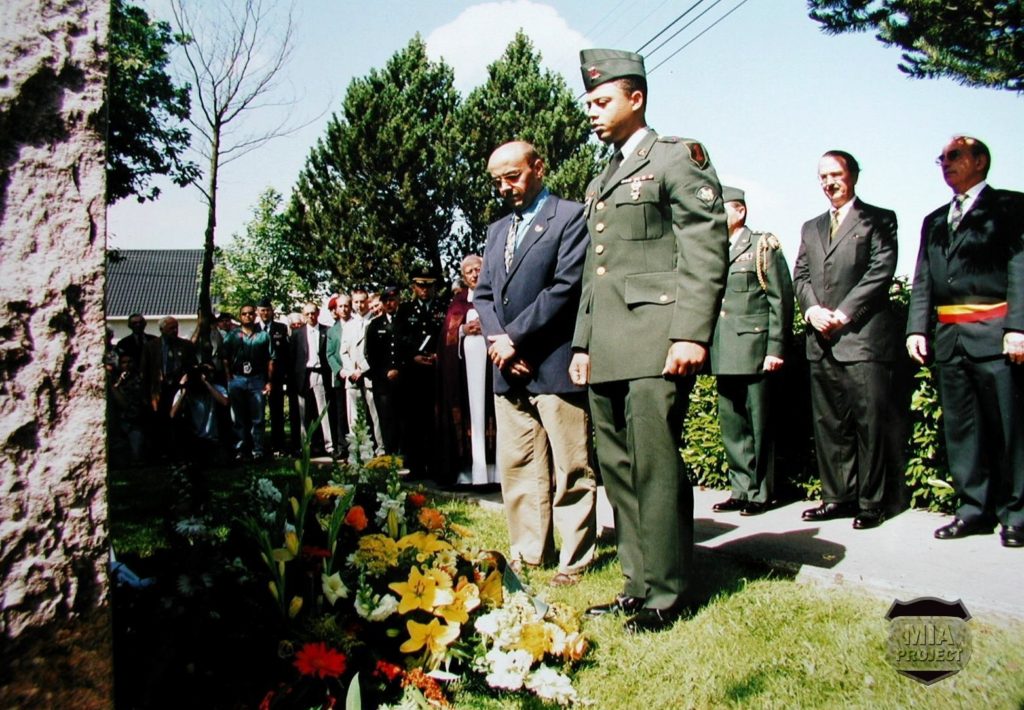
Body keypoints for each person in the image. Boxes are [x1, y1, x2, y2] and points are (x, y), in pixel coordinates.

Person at [568, 50, 729, 631]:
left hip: (658, 336)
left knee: (655, 464)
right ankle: (636, 583)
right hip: (609, 342)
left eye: (601, 99)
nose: (591, 110)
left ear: (635, 98)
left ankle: (667, 592)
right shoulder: (603, 176)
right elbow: (595, 269)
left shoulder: (677, 159)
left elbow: (705, 248)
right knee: (616, 465)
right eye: (588, 101)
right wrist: (583, 343)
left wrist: (690, 332)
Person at [475, 141, 597, 586]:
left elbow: (566, 289)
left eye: (513, 176)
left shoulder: (569, 217)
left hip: (552, 364)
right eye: (497, 181)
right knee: (519, 467)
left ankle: (577, 557)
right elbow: (484, 295)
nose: (505, 187)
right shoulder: (495, 231)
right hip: (507, 370)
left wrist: (516, 340)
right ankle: (529, 552)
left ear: (538, 168)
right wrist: (500, 344)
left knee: (571, 468)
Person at [906, 135, 1024, 548]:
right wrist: (917, 328)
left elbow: (1020, 266)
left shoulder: (1011, 207)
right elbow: (922, 279)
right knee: (962, 432)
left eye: (954, 156)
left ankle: (1017, 515)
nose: (945, 163)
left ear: (980, 161)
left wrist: (1018, 326)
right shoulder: (935, 219)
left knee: (1009, 430)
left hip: (997, 335)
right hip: (950, 339)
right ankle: (973, 510)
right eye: (942, 157)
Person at [793, 150, 898, 530]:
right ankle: (837, 496)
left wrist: (845, 312)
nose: (829, 182)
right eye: (822, 176)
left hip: (862, 337)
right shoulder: (811, 227)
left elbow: (880, 269)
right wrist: (811, 310)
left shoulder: (879, 219)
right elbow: (800, 275)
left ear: (853, 175)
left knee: (868, 423)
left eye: (836, 174)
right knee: (830, 424)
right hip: (820, 339)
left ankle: (871, 503)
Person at [710, 187, 794, 516]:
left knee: (760, 424)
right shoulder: (714, 249)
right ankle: (740, 489)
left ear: (740, 212)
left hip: (756, 348)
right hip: (723, 350)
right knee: (732, 424)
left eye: (722, 209)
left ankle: (762, 492)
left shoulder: (761, 246)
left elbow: (780, 300)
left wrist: (776, 348)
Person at [438, 255, 498, 488]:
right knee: (470, 415)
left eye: (478, 269)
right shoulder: (458, 303)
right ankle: (471, 472)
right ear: (463, 277)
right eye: (469, 272)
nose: (474, 275)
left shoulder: (495, 296)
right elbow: (445, 337)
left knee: (493, 413)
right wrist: (462, 329)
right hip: (466, 376)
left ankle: (496, 473)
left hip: (493, 370)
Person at [396, 267, 447, 479]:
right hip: (414, 373)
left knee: (435, 419)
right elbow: (399, 339)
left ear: (434, 286)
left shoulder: (443, 307)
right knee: (414, 420)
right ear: (414, 287)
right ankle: (416, 466)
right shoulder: (405, 310)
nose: (424, 289)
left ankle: (436, 466)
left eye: (428, 285)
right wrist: (412, 357)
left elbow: (447, 335)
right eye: (420, 285)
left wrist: (438, 355)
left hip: (436, 371)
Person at [220, 303, 275, 460]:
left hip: (257, 379)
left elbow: (270, 360)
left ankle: (258, 450)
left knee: (258, 418)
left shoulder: (263, 335)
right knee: (238, 417)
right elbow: (224, 357)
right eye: (244, 314)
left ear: (255, 315)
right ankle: (240, 449)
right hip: (237, 378)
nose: (247, 316)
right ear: (240, 316)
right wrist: (229, 377)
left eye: (251, 313)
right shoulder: (232, 335)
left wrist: (268, 381)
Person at [141, 316, 197, 458]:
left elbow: (192, 366)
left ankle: (180, 452)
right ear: (162, 329)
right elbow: (145, 371)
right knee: (159, 421)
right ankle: (161, 452)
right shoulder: (151, 346)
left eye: (176, 327)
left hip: (179, 389)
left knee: (179, 422)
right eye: (171, 328)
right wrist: (148, 393)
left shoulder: (186, 346)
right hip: (159, 389)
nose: (175, 331)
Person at [338, 287, 385, 454]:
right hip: (353, 378)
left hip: (369, 375)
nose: (359, 305)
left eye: (362, 301)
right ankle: (358, 450)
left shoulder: (376, 322)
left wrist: (362, 370)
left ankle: (381, 449)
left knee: (376, 416)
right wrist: (350, 371)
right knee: (356, 417)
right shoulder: (349, 325)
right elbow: (343, 351)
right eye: (356, 302)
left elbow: (378, 352)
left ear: (368, 301)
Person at [289, 302, 336, 458]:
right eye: (307, 314)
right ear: (304, 315)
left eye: (313, 313)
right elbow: (293, 357)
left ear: (318, 313)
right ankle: (305, 445)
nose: (311, 316)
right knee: (303, 412)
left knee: (324, 410)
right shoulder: (297, 333)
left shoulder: (326, 330)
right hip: (303, 374)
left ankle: (329, 446)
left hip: (320, 373)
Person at [365, 287, 403, 455]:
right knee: (386, 419)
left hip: (403, 379)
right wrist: (385, 372)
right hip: (383, 382)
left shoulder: (405, 321)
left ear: (398, 300)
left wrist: (399, 369)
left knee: (404, 419)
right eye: (386, 300)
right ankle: (389, 453)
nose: (389, 303)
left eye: (393, 300)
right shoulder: (375, 325)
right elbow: (371, 354)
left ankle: (405, 453)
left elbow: (409, 349)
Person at [256, 299, 290, 456]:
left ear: (272, 311)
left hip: (276, 378)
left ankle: (279, 446)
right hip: (258, 377)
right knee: (258, 414)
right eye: (262, 310)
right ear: (258, 311)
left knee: (277, 413)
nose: (265, 313)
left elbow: (285, 353)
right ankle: (259, 446)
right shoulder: (253, 329)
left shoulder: (281, 328)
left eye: (267, 310)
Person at [325, 293, 353, 453]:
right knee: (341, 413)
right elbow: (329, 354)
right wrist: (339, 370)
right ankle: (342, 446)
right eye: (340, 306)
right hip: (340, 377)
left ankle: (360, 446)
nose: (343, 309)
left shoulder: (358, 325)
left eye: (346, 306)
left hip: (356, 376)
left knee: (357, 412)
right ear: (336, 309)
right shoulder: (332, 331)